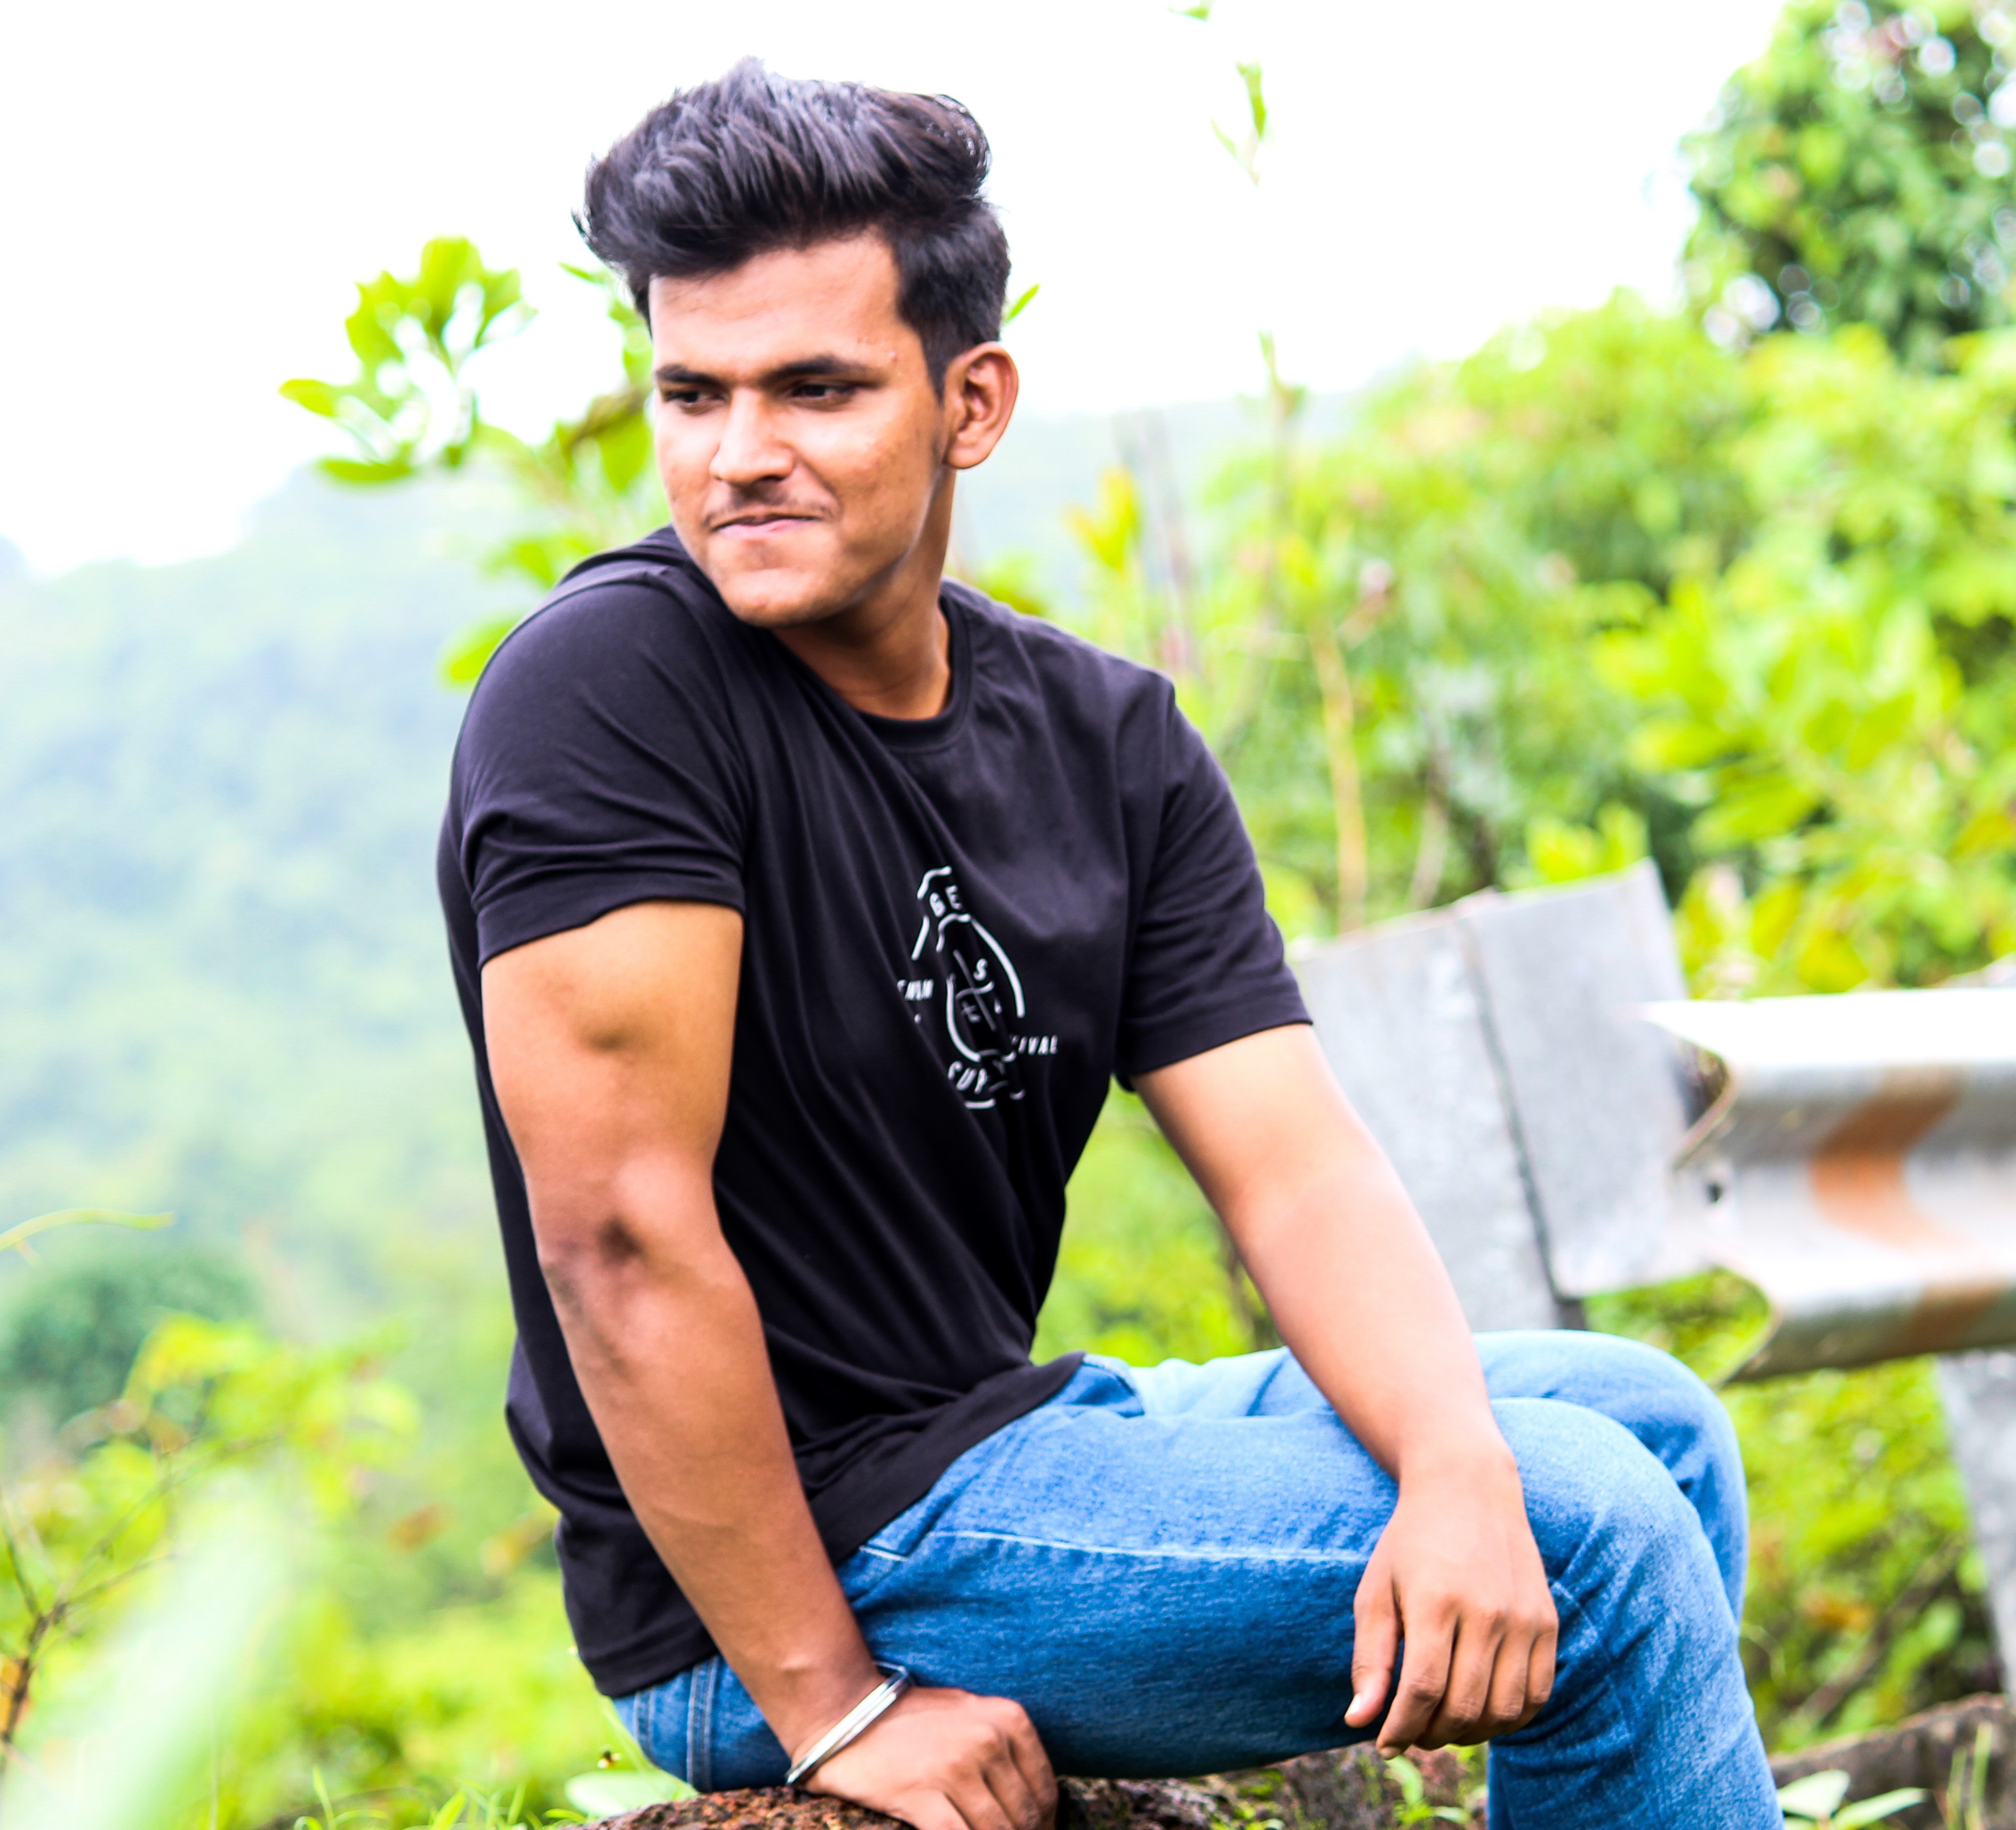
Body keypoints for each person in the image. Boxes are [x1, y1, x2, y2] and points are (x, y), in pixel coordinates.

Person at [437, 61, 1777, 1830]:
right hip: (787, 1573)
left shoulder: (1107, 743)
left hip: (1004, 1442)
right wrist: (836, 1709)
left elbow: (1294, 1169)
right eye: (694, 393)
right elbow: (616, 1237)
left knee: (1654, 1430)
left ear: (971, 401)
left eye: (816, 389)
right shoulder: (613, 690)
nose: (738, 454)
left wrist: (1455, 1468)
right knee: (1596, 1534)